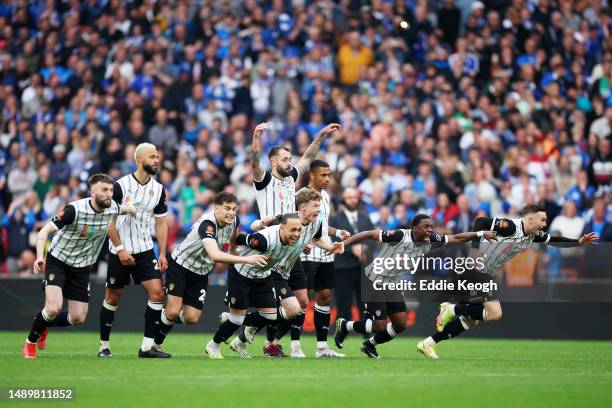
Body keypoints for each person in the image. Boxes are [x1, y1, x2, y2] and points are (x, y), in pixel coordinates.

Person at [418, 203, 598, 359]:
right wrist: (474, 249)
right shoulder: (510, 226)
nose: (545, 224)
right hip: (475, 268)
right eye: (542, 220)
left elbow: (554, 240)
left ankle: (428, 343)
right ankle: (450, 309)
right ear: (529, 220)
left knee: (472, 319)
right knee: (495, 313)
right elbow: (481, 221)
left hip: (483, 271)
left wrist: (578, 242)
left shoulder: (533, 235)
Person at [334, 214, 497, 358]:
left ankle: (369, 344)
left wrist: (481, 233)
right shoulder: (398, 235)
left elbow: (458, 238)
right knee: (380, 325)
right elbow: (368, 234)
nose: (430, 230)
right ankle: (345, 325)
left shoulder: (432, 240)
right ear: (415, 228)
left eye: (431, 227)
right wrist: (344, 244)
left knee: (400, 325)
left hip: (393, 283)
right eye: (426, 227)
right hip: (374, 280)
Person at [250, 121, 341, 353]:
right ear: (273, 161)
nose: (288, 163)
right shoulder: (264, 181)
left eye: (289, 159)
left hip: (292, 247)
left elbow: (308, 157)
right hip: (271, 245)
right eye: (284, 159)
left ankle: (264, 336)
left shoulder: (291, 178)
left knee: (301, 301)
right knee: (273, 303)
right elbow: (254, 163)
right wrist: (256, 138)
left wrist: (320, 134)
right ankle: (250, 327)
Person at [23, 174, 134, 358]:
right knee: (53, 308)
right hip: (58, 260)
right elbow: (44, 231)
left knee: (78, 318)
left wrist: (133, 209)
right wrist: (39, 257)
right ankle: (30, 343)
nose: (109, 194)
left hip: (82, 267)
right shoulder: (73, 210)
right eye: (104, 190)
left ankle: (42, 322)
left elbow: (123, 208)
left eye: (111, 190)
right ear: (92, 192)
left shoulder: (112, 208)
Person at [232, 188, 344, 358]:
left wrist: (330, 247)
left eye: (319, 205)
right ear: (303, 207)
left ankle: (266, 340)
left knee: (302, 302)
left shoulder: (316, 222)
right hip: (275, 267)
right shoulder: (287, 219)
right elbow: (261, 228)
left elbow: (316, 237)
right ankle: (249, 325)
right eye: (315, 206)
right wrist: (257, 226)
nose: (318, 209)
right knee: (291, 309)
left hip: (292, 264)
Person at [151, 192, 268, 353]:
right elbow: (214, 255)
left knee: (191, 318)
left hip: (201, 272)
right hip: (180, 265)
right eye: (227, 208)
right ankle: (156, 345)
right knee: (172, 312)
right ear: (216, 208)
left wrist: (233, 250)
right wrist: (248, 259)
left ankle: (166, 315)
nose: (231, 212)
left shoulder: (234, 220)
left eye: (234, 209)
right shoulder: (207, 224)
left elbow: (233, 237)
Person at [98, 143, 170, 358]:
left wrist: (163, 253)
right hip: (119, 249)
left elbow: (161, 223)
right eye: (152, 157)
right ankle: (104, 346)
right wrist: (120, 249)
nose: (157, 160)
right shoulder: (119, 186)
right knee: (113, 297)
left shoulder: (158, 189)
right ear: (139, 160)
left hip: (145, 249)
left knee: (158, 293)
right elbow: (107, 221)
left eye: (158, 156)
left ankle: (147, 348)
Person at [205, 214, 303, 359]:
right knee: (237, 319)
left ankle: (229, 318)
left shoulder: (294, 240)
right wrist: (232, 249)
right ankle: (213, 345)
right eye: (293, 230)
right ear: (282, 228)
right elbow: (239, 238)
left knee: (270, 316)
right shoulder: (263, 241)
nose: (296, 234)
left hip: (263, 276)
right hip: (241, 273)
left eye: (299, 230)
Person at [331, 188, 374, 321]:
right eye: (349, 197)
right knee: (343, 304)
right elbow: (333, 241)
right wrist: (353, 249)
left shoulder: (365, 218)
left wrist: (363, 248)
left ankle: (367, 333)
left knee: (366, 304)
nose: (353, 199)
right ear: (343, 200)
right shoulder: (334, 219)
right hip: (343, 267)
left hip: (364, 267)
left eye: (355, 197)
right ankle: (342, 334)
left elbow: (373, 238)